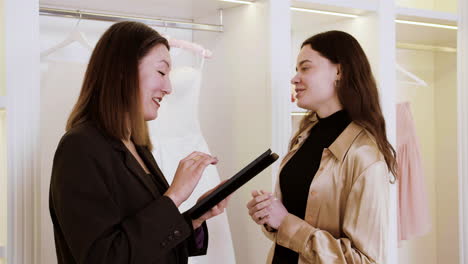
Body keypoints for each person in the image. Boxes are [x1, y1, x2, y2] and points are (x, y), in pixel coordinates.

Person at [49, 21, 229, 264]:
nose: (169, 87)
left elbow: (150, 245)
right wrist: (174, 195)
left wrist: (195, 218)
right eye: (161, 72)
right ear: (123, 71)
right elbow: (104, 257)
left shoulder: (136, 145)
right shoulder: (79, 148)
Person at [247, 30, 397, 264]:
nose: (294, 78)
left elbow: (366, 260)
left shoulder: (365, 154)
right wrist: (269, 216)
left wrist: (285, 222)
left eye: (305, 68)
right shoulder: (304, 136)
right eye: (297, 69)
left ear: (339, 71)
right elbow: (290, 221)